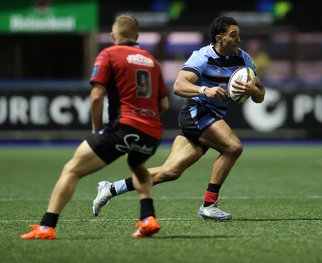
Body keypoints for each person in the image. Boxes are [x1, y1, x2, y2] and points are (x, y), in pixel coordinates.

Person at [93, 15, 265, 221]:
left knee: (170, 171)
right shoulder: (202, 57)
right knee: (233, 147)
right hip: (196, 112)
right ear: (219, 38)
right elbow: (178, 86)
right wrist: (204, 90)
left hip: (212, 116)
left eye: (239, 35)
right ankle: (209, 205)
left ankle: (111, 188)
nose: (239, 39)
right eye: (233, 35)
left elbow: (260, 96)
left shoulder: (244, 59)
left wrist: (254, 89)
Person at [20, 14, 169, 239]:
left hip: (122, 127)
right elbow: (164, 104)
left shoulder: (109, 54)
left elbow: (96, 96)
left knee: (71, 169)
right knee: (137, 166)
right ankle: (148, 219)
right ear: (137, 36)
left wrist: (98, 129)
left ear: (113, 35)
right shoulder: (151, 60)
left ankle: (46, 226)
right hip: (152, 132)